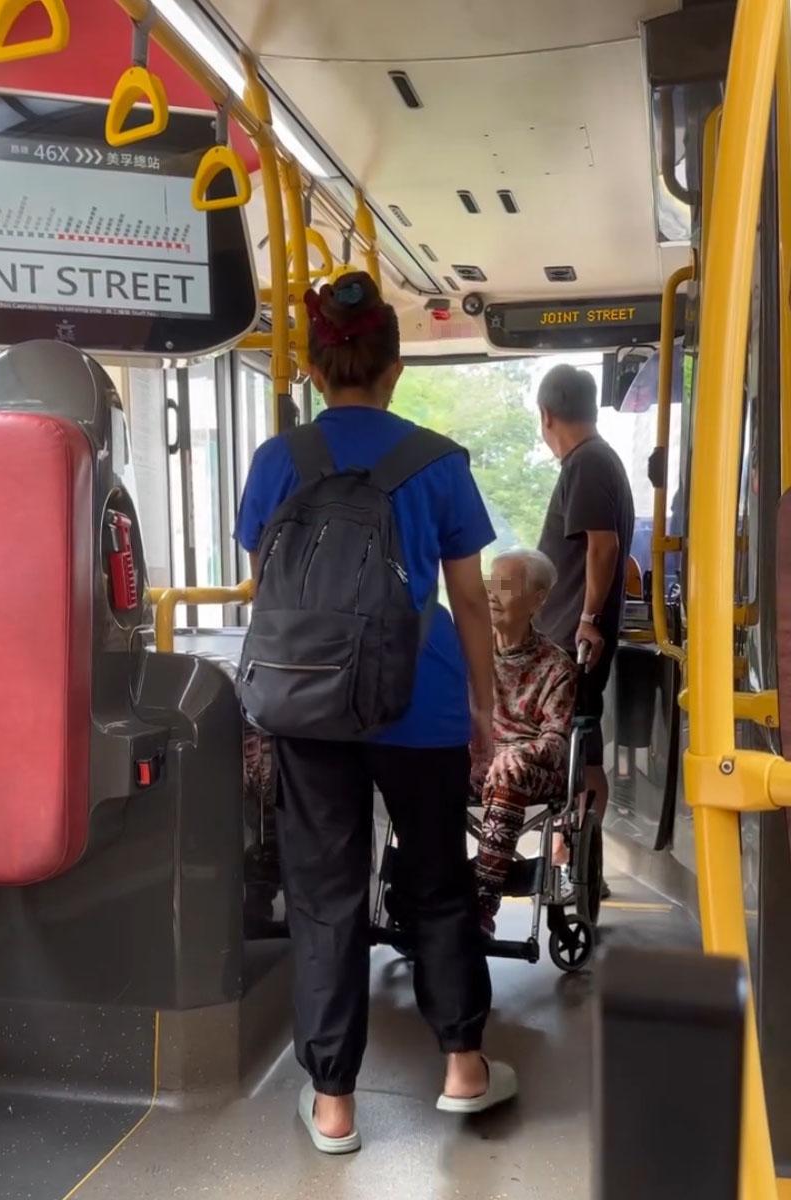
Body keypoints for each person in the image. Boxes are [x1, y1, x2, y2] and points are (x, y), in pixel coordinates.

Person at [236, 272, 516, 1154]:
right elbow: (472, 603)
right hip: (421, 703)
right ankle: (464, 1069)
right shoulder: (439, 460)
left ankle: (333, 1106)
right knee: (437, 881)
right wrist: (484, 708)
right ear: (395, 368)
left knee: (324, 895)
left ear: (318, 372)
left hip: (309, 707)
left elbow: (267, 581)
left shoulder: (278, 461)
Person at [535, 364, 635, 896]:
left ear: (546, 416)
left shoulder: (588, 463)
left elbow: (604, 545)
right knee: (585, 742)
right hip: (572, 638)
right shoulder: (596, 462)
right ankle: (581, 859)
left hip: (574, 640)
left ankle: (575, 856)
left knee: (576, 740)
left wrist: (590, 620)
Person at [474, 551, 577, 935]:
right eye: (490, 582)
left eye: (507, 586)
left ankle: (483, 904)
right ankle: (424, 890)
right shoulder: (470, 652)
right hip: (476, 763)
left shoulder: (556, 666)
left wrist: (514, 752)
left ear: (537, 600)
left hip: (531, 771)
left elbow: (555, 739)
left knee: (508, 776)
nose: (492, 593)